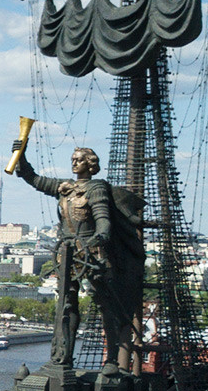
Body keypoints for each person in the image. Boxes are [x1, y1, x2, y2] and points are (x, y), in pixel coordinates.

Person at [10, 141, 144, 369]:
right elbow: (35, 180)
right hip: (67, 254)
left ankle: (112, 360)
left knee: (107, 307)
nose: (74, 162)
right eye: (73, 158)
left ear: (90, 165)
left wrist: (100, 236)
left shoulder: (96, 188)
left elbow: (103, 219)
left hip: (93, 254)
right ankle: (62, 358)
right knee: (66, 305)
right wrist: (20, 156)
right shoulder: (65, 187)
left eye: (79, 159)